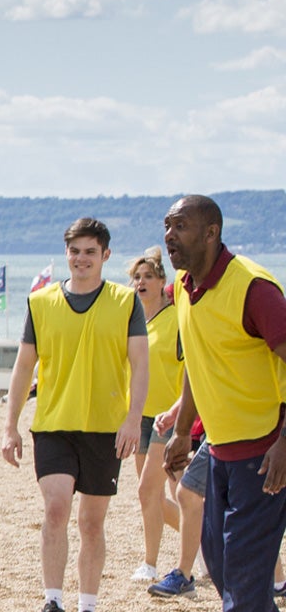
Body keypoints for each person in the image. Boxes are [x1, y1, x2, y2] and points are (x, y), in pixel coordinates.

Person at [157, 195, 286, 612]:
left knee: (248, 568)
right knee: (221, 563)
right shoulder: (185, 290)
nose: (170, 236)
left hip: (266, 450)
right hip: (221, 446)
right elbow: (198, 363)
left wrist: (284, 440)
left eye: (181, 226)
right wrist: (183, 429)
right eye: (167, 226)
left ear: (211, 232)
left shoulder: (253, 288)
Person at [2, 218, 148, 612]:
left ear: (105, 255)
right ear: (66, 254)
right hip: (54, 424)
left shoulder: (124, 301)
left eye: (89, 251)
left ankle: (88, 609)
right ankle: (53, 603)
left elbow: (140, 364)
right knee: (56, 508)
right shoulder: (42, 302)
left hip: (106, 427)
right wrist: (9, 426)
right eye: (74, 251)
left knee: (92, 523)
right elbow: (23, 367)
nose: (81, 259)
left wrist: (133, 419)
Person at [128, 249, 184, 585]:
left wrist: (182, 410)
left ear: (163, 281)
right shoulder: (132, 322)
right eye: (137, 277)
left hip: (171, 416)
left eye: (149, 276)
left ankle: (149, 564)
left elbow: (192, 367)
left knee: (149, 490)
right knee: (150, 494)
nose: (142, 282)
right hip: (140, 417)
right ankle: (205, 540)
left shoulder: (177, 317)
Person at [151, 424, 210, 598]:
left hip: (240, 430)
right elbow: (194, 395)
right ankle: (185, 573)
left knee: (188, 493)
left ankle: (276, 581)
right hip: (214, 431)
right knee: (187, 493)